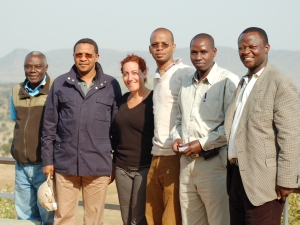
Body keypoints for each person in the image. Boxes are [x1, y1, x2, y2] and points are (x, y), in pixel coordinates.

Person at [41, 38, 122, 225]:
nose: (83, 58)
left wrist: (115, 162)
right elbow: (49, 126)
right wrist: (48, 160)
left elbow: (117, 128)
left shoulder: (111, 85)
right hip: (65, 164)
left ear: (96, 57)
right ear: (74, 56)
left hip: (98, 164)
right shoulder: (61, 83)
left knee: (94, 220)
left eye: (88, 54)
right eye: (79, 54)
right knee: (64, 218)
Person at [225, 27, 300, 225]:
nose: (246, 51)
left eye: (252, 47)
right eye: (242, 47)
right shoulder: (244, 83)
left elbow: (290, 135)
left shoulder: (279, 83)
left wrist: (286, 180)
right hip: (237, 178)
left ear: (266, 48)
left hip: (264, 183)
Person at [171, 33, 239, 225]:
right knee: (190, 221)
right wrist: (176, 138)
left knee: (219, 221)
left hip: (214, 165)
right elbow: (179, 119)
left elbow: (232, 126)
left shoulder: (227, 82)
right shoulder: (186, 83)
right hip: (186, 165)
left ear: (214, 52)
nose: (198, 56)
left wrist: (202, 144)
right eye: (194, 52)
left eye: (203, 52)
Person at [145, 28, 195, 225]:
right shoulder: (158, 76)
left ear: (173, 47)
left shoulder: (185, 73)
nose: (159, 48)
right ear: (150, 49)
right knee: (151, 215)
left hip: (175, 156)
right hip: (156, 154)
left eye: (164, 44)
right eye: (155, 45)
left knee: (171, 218)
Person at [10, 51, 54, 224]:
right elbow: (16, 121)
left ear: (46, 68)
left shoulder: (54, 90)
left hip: (45, 167)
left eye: (37, 66)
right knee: (25, 219)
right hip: (21, 167)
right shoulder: (15, 91)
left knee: (48, 217)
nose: (32, 70)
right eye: (28, 66)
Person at [113, 54, 154, 225]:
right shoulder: (121, 100)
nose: (130, 78)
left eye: (135, 73)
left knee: (139, 219)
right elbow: (116, 135)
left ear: (145, 73)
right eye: (125, 74)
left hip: (144, 168)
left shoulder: (154, 100)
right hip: (122, 168)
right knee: (126, 218)